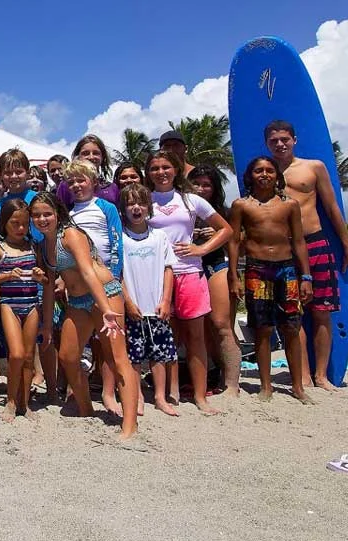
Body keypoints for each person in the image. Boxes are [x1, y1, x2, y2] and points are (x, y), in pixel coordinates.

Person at [30, 192, 140, 439]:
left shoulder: (70, 234)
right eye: (36, 215)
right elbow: (48, 287)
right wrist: (47, 325)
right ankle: (86, 408)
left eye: (46, 213)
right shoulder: (43, 245)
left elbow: (89, 272)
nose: (42, 219)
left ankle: (130, 424)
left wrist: (107, 311)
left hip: (105, 294)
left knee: (117, 358)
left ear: (57, 213)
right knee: (68, 356)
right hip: (78, 301)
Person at [264, 120, 348, 390]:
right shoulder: (265, 172)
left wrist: (347, 247)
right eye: (274, 141)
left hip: (316, 243)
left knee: (321, 312)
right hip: (284, 250)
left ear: (294, 139)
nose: (280, 144)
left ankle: (321, 375)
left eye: (284, 139)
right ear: (267, 144)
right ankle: (302, 375)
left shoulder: (313, 167)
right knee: (292, 315)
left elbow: (331, 207)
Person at [145, 150, 235, 412]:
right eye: (154, 168)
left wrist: (201, 249)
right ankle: (171, 393)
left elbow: (226, 229)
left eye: (165, 167)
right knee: (167, 338)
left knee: (196, 338)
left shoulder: (191, 200)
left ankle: (200, 397)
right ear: (148, 172)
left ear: (175, 170)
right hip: (158, 276)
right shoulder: (144, 200)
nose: (160, 172)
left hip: (189, 272)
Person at [228, 157, 313, 404]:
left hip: (286, 270)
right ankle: (266, 386)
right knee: (262, 328)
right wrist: (234, 275)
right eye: (258, 170)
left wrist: (305, 276)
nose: (264, 174)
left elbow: (299, 241)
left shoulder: (290, 205)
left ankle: (297, 386)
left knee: (291, 328)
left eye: (269, 170)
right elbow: (233, 242)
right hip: (257, 269)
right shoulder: (241, 205)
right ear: (250, 175)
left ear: (277, 175)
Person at [65, 159, 125, 414]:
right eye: (72, 181)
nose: (77, 185)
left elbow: (116, 242)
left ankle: (111, 393)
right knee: (78, 347)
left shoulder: (106, 207)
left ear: (93, 181)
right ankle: (79, 394)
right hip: (78, 289)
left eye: (82, 180)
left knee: (111, 347)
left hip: (105, 283)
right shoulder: (67, 213)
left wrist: (115, 276)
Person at [118, 184, 179, 416]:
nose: (136, 208)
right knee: (134, 356)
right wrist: (128, 302)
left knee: (159, 355)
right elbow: (119, 273)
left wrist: (166, 301)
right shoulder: (121, 237)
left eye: (141, 203)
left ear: (148, 207)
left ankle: (161, 397)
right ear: (123, 208)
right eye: (130, 203)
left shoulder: (159, 236)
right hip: (133, 307)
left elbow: (168, 270)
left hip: (156, 307)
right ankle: (138, 396)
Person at [0, 198, 42, 418]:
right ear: (5, 223)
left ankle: (24, 404)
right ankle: (10, 400)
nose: (20, 228)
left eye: (24, 224)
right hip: (9, 303)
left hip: (31, 303)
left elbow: (45, 278)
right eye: (14, 223)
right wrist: (7, 275)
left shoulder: (32, 245)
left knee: (28, 356)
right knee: (16, 354)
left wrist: (40, 276)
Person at [189, 164, 242, 397]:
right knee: (201, 328)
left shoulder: (223, 211)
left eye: (206, 185)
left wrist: (234, 273)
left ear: (215, 188)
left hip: (215, 265)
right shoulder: (182, 206)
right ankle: (213, 375)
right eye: (196, 184)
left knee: (221, 324)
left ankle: (232, 384)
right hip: (190, 268)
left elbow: (235, 240)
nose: (200, 189)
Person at [56, 135, 119, 209]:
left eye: (96, 153)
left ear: (103, 157)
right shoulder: (66, 185)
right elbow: (59, 213)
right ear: (77, 156)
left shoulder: (112, 189)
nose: (91, 157)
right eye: (85, 153)